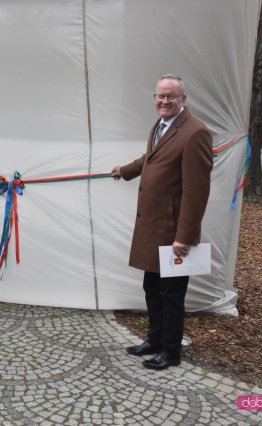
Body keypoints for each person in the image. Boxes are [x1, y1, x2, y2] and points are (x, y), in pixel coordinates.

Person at [111, 74, 213, 370]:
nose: (164, 101)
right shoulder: (162, 124)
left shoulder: (195, 133)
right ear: (154, 98)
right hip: (153, 228)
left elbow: (197, 192)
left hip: (173, 233)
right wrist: (126, 170)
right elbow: (151, 158)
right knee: (152, 289)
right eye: (160, 96)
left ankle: (170, 351)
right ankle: (155, 341)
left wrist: (185, 237)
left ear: (184, 99)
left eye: (171, 96)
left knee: (171, 296)